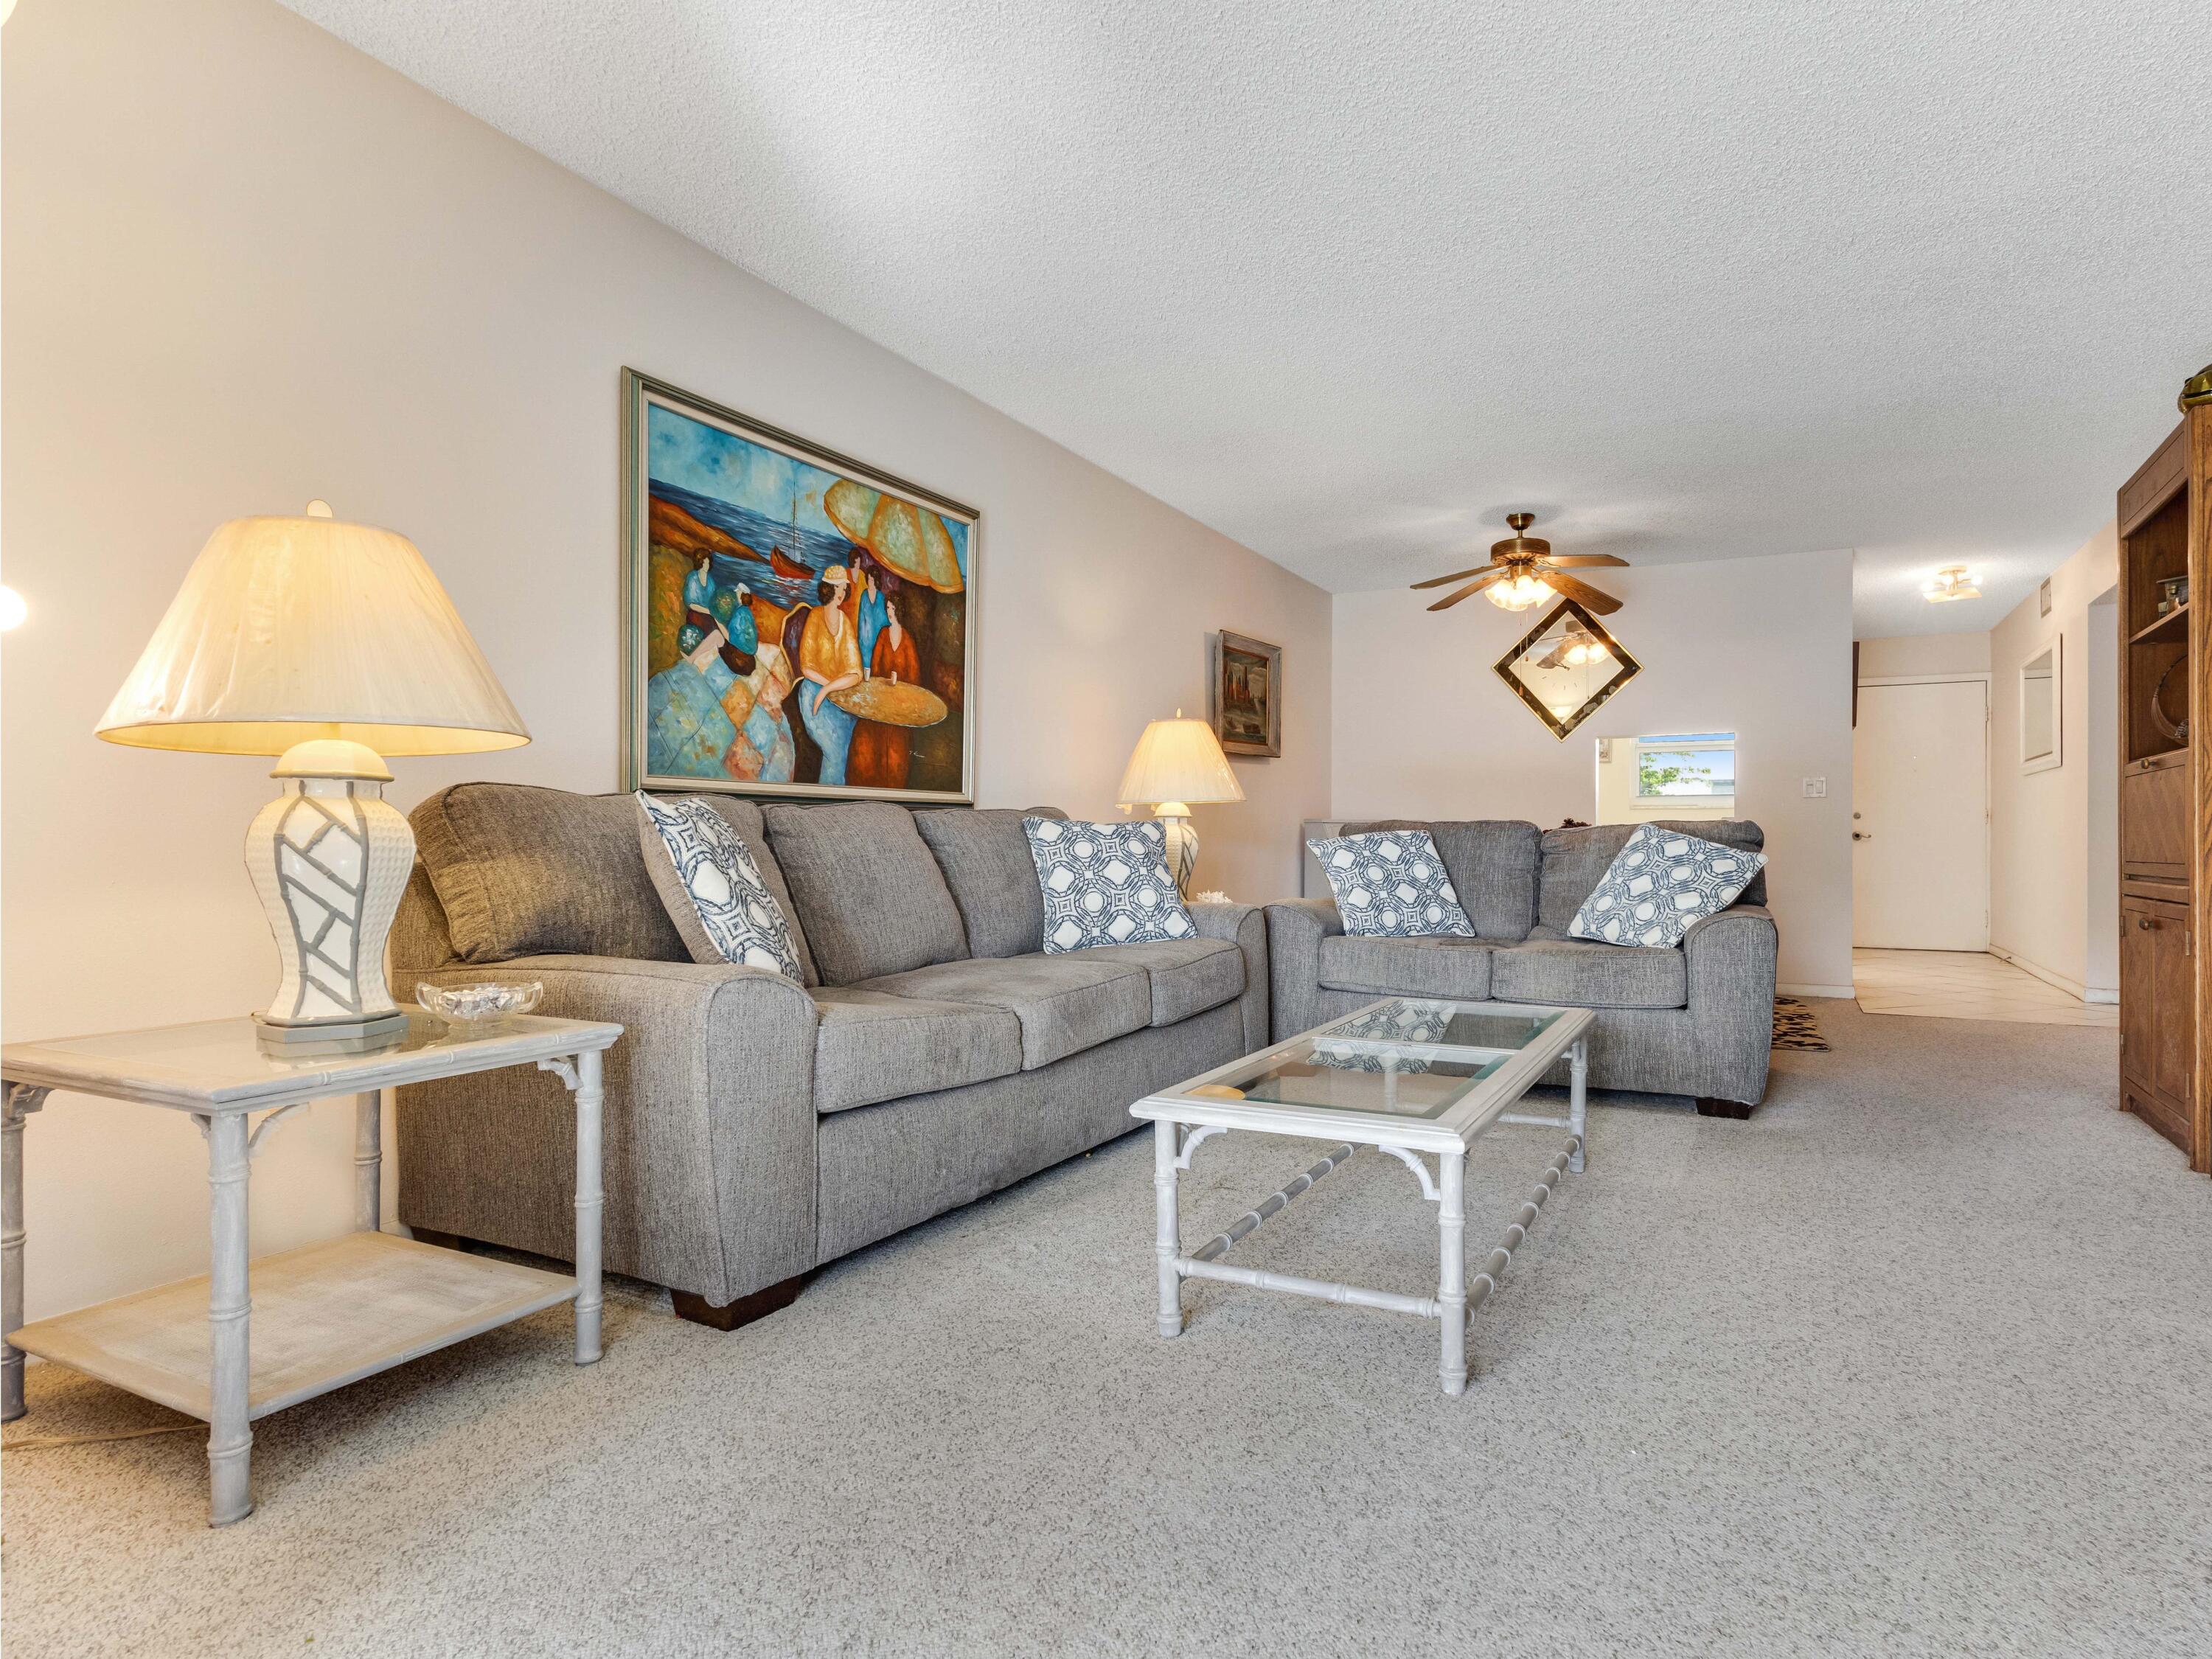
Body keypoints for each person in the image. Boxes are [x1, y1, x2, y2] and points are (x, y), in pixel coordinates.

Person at [797, 566, 863, 785]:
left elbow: (856, 673)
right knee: (834, 751)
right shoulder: (815, 617)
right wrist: (825, 686)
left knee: (844, 748)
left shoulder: (846, 622)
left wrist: (830, 688)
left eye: (844, 588)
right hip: (812, 693)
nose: (841, 593)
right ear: (828, 589)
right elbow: (806, 667)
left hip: (839, 697)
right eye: (837, 588)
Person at [849, 597, 922, 789]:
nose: (889, 612)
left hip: (900, 702)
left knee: (896, 749)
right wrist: (885, 683)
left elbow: (914, 677)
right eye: (887, 608)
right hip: (881, 698)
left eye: (892, 608)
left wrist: (900, 685)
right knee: (866, 739)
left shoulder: (907, 639)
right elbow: (875, 667)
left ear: (899, 610)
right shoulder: (883, 634)